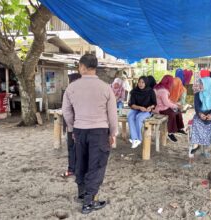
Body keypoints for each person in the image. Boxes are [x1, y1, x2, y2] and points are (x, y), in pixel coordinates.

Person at [62, 54, 117, 214]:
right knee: (97, 165)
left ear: (83, 67)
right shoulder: (106, 87)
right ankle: (88, 202)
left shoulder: (72, 87)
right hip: (99, 132)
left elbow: (66, 111)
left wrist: (72, 128)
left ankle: (82, 194)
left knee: (81, 162)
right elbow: (112, 115)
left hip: (79, 130)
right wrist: (112, 132)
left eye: (79, 66)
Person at [190, 77, 211, 157]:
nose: (200, 85)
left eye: (202, 84)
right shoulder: (198, 94)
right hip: (202, 113)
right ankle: (196, 144)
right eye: (200, 83)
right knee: (195, 120)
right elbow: (197, 107)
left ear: (208, 84)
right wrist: (200, 114)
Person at [153, 75, 186, 142]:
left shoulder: (159, 87)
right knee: (172, 113)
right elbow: (166, 103)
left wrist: (175, 104)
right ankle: (170, 133)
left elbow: (167, 101)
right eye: (172, 82)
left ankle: (179, 128)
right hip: (160, 109)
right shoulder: (163, 90)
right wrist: (176, 106)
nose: (172, 84)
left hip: (162, 107)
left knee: (177, 111)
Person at [61, 73, 81, 178]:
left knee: (75, 148)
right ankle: (72, 169)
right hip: (74, 125)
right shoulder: (69, 92)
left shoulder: (77, 92)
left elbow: (67, 111)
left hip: (76, 126)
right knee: (72, 148)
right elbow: (66, 111)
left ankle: (74, 169)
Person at [127, 76, 157, 148]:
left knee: (139, 117)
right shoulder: (134, 91)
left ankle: (137, 139)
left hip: (146, 110)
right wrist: (140, 107)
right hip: (136, 109)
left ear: (146, 83)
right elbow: (132, 104)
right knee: (130, 116)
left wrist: (150, 107)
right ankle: (136, 139)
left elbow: (154, 103)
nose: (141, 84)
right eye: (139, 82)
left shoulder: (150, 91)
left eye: (143, 82)